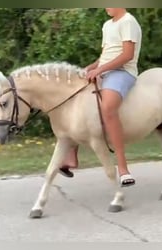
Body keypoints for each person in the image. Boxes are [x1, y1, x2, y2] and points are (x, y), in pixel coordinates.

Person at [59, 8, 142, 187]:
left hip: (122, 72)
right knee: (73, 100)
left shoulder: (128, 21)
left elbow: (127, 55)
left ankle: (123, 168)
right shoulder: (107, 25)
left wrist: (100, 70)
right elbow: (105, 56)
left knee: (108, 108)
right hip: (105, 71)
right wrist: (90, 68)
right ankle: (71, 155)